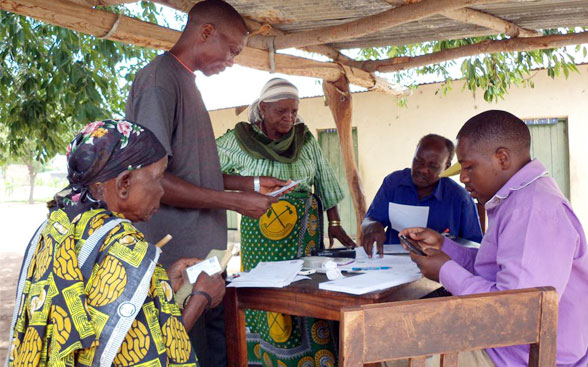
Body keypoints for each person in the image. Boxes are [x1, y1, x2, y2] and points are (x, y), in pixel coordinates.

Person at [125, 2, 289, 366]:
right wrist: (232, 202)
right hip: (176, 268)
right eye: (231, 50)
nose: (232, 61)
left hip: (205, 266)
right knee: (185, 354)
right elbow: (152, 180)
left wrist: (249, 184)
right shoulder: (159, 82)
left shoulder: (186, 82)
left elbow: (187, 169)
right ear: (205, 32)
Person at [7, 119, 225, 367]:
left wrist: (158, 282)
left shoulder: (59, 225)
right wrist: (201, 298)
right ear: (124, 184)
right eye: (158, 178)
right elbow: (144, 357)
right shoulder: (123, 243)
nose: (162, 191)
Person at [400, 110, 588, 366]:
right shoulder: (518, 198)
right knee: (404, 340)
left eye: (468, 167)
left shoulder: (533, 210)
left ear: (502, 158)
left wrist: (445, 271)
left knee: (396, 353)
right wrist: (445, 247)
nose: (463, 177)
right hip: (507, 345)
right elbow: (496, 268)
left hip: (520, 356)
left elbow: (513, 311)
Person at [216, 77, 356, 366]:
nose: (290, 117)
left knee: (304, 296)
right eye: (281, 111)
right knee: (267, 300)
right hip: (261, 241)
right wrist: (250, 185)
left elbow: (325, 181)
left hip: (305, 237)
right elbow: (205, 173)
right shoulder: (236, 141)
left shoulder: (305, 140)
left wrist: (334, 224)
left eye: (294, 111)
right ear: (263, 108)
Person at [362, 134, 482, 257]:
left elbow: (475, 247)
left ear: (446, 166)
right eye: (419, 161)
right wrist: (372, 226)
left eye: (433, 166)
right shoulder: (393, 183)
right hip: (392, 265)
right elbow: (369, 219)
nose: (423, 170)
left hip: (439, 269)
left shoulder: (459, 198)